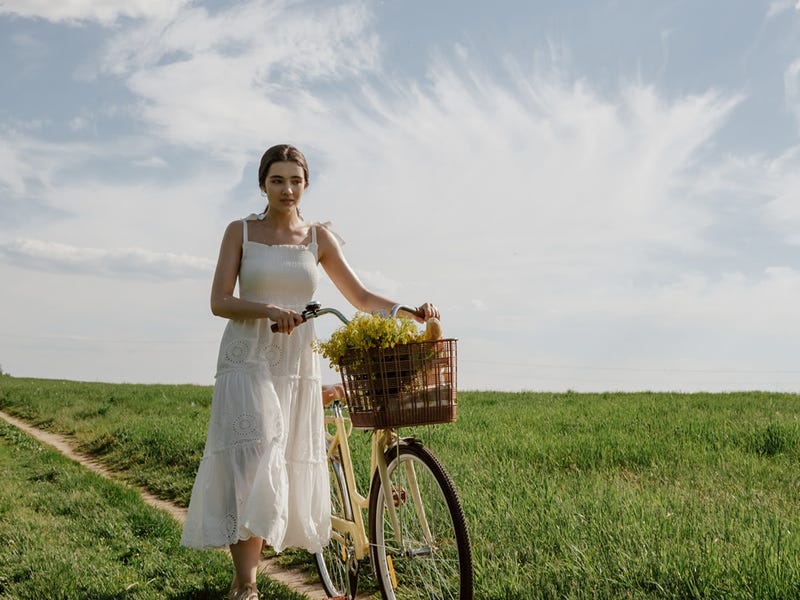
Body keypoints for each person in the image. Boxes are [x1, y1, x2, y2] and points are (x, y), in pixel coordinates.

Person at [180, 144, 439, 600]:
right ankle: (245, 584)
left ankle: (261, 561)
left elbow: (359, 297)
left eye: (295, 180)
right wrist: (268, 309)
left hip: (295, 363)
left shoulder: (317, 238)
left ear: (306, 184)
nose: (287, 189)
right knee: (254, 456)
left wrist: (407, 311)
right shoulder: (239, 231)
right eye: (277, 180)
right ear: (263, 183)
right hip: (246, 358)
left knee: (276, 458)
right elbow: (219, 300)